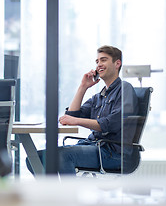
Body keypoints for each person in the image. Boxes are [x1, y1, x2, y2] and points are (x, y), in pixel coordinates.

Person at [26, 45, 138, 175]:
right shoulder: (99, 97)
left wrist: (76, 120)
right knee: (35, 159)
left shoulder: (125, 89)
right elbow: (71, 116)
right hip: (93, 146)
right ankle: (53, 193)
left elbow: (110, 124)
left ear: (117, 63)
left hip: (113, 153)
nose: (98, 65)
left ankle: (68, 195)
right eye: (97, 62)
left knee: (63, 156)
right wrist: (83, 87)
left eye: (103, 60)